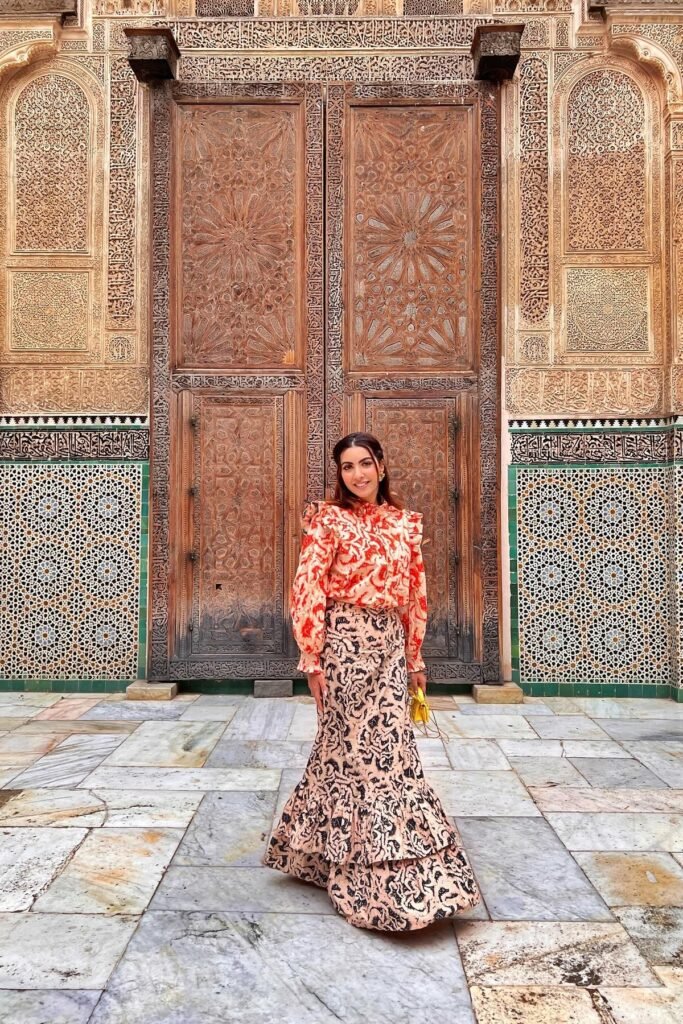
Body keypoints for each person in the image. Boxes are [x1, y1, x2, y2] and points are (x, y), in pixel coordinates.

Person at [263, 432, 480, 931]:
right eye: (347, 467)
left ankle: (317, 853)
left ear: (381, 464)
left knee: (373, 751)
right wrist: (312, 660)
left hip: (387, 646)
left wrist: (415, 656)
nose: (357, 474)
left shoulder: (405, 524)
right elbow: (307, 587)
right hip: (343, 646)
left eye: (365, 463)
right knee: (365, 755)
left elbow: (415, 593)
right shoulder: (328, 521)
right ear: (338, 474)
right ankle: (380, 885)